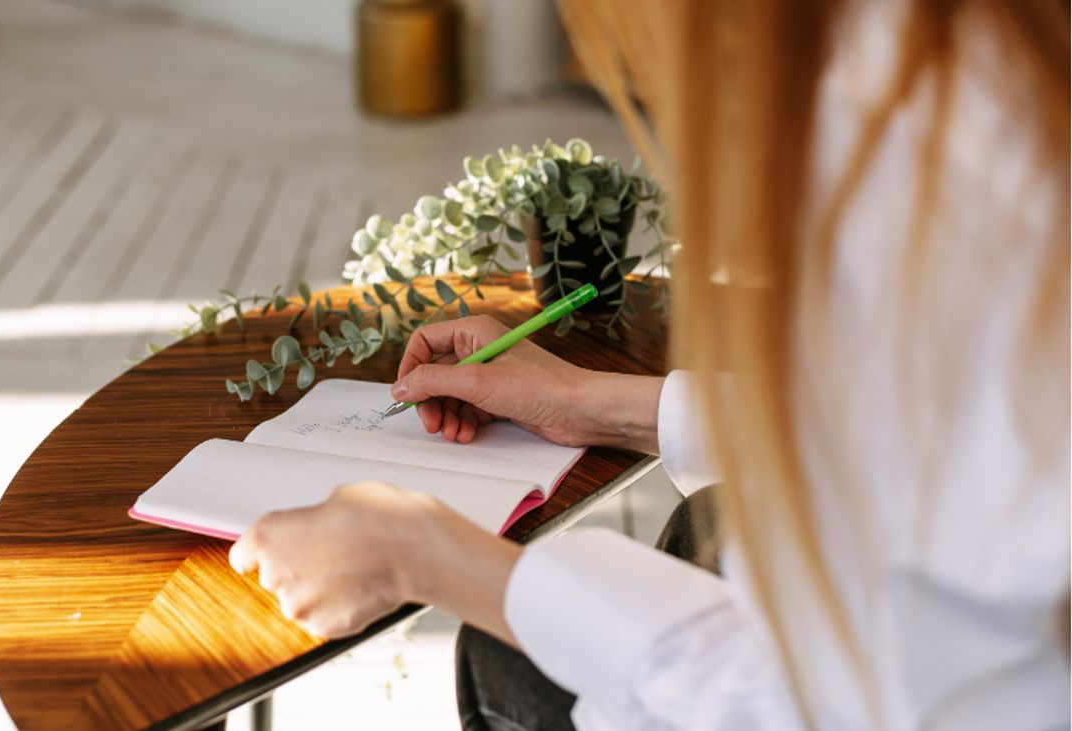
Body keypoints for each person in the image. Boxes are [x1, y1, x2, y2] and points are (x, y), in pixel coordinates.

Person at [228, 0, 1070, 728]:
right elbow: (903, 427)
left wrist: (427, 556)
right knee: (703, 529)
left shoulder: (934, 164)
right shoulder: (955, 69)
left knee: (505, 652)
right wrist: (593, 403)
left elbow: (820, 706)